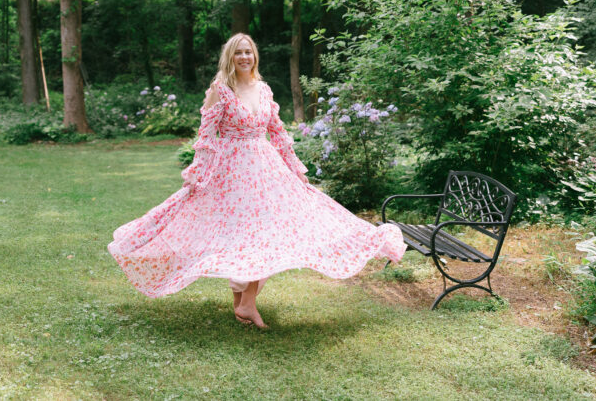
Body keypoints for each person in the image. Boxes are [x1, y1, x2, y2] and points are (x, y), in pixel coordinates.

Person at [107, 33, 405, 329]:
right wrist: (198, 173)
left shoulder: (263, 90)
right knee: (241, 234)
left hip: (266, 169)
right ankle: (243, 303)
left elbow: (276, 131)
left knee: (270, 231)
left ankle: (246, 302)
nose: (244, 57)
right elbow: (207, 136)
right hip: (231, 172)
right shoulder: (220, 90)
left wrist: (295, 170)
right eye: (238, 53)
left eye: (248, 52)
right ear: (230, 57)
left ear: (255, 55)